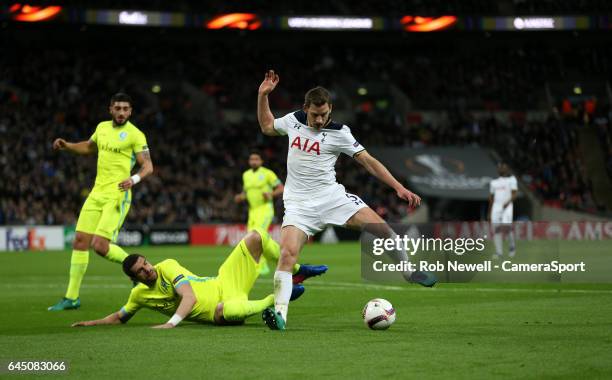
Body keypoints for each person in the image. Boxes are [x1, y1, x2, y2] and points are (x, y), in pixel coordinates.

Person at [256, 70, 436, 330]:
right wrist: (263, 95)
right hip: (298, 204)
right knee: (287, 255)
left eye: (325, 114)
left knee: (381, 229)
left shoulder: (341, 132)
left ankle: (409, 271)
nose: (319, 120)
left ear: (331, 110)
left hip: (332, 197)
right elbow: (266, 126)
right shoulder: (293, 121)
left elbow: (368, 162)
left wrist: (398, 187)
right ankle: (280, 315)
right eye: (315, 114)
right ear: (305, 108)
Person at [71, 229, 327, 327]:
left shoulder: (167, 266)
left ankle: (296, 270)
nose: (147, 269)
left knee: (256, 237)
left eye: (145, 263)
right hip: (217, 311)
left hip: (223, 281)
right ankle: (276, 298)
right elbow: (119, 316)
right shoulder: (139, 295)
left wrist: (171, 323)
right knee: (226, 310)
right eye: (141, 270)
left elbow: (189, 296)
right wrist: (91, 323)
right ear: (134, 278)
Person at [48, 93, 153, 311]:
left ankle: (136, 268)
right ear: (111, 110)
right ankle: (71, 298)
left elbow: (148, 166)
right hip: (97, 193)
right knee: (79, 241)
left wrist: (132, 179)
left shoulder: (136, 135)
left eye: (125, 108)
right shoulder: (102, 127)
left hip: (117, 195)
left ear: (130, 111)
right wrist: (67, 145)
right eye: (118, 108)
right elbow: (88, 147)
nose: (122, 112)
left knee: (99, 246)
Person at [234, 150, 284, 275]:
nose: (254, 161)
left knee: (257, 236)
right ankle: (274, 259)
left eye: (256, 159)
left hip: (265, 209)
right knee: (252, 239)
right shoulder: (246, 175)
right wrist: (241, 197)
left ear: (261, 161)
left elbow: (281, 188)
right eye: (252, 159)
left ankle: (262, 266)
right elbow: (246, 192)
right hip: (253, 211)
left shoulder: (267, 174)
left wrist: (271, 194)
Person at [488, 163, 518, 258]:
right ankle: (499, 252)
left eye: (503, 167)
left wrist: (507, 202)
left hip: (507, 207)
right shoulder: (493, 182)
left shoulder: (512, 180)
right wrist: (489, 211)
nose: (501, 168)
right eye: (500, 167)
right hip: (496, 208)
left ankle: (512, 247)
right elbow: (491, 198)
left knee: (507, 228)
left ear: (507, 169)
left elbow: (514, 194)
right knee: (496, 230)